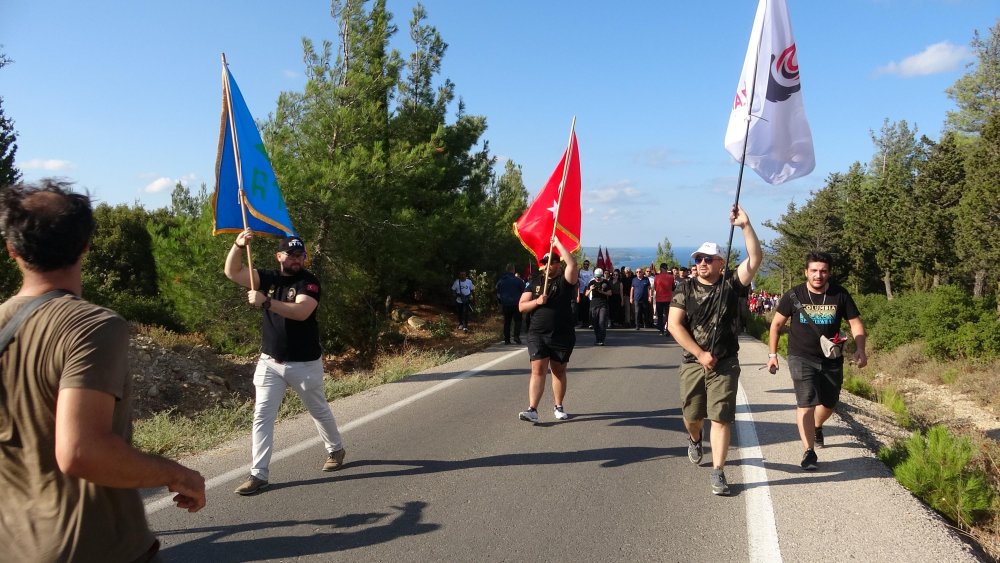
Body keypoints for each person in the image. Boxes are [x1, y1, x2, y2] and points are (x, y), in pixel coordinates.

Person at [0, 180, 205, 562]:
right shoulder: (91, 326)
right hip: (93, 546)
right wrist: (178, 474)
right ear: (85, 245)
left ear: (12, 249)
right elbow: (82, 451)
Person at [225, 230, 347, 495]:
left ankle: (335, 449)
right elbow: (233, 272)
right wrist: (238, 245)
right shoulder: (268, 278)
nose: (296, 259)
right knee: (262, 416)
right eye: (291, 254)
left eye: (300, 255)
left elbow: (301, 312)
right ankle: (258, 474)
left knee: (318, 410)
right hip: (270, 362)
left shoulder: (309, 282)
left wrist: (266, 302)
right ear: (279, 256)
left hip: (304, 363)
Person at [668, 205, 762, 496]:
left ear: (721, 263)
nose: (702, 263)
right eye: (698, 259)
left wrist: (745, 226)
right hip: (693, 362)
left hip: (725, 363)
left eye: (709, 259)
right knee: (692, 417)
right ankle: (695, 439)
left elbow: (755, 259)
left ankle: (719, 471)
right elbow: (674, 325)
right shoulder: (684, 289)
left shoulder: (731, 284)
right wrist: (699, 354)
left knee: (720, 417)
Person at [766, 252, 868, 471]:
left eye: (823, 271)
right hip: (801, 356)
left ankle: (817, 426)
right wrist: (772, 355)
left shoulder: (839, 294)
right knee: (806, 403)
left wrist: (860, 349)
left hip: (831, 357)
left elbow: (856, 324)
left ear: (829, 273)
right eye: (814, 271)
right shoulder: (794, 295)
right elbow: (776, 325)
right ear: (806, 272)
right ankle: (809, 451)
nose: (818, 275)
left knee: (829, 403)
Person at [517, 238, 579, 423]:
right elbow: (521, 306)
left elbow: (573, 264)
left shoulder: (565, 280)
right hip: (538, 333)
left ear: (558, 263)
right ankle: (532, 409)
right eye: (545, 262)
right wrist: (537, 301)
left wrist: (558, 243)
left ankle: (558, 406)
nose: (548, 265)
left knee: (558, 371)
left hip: (562, 334)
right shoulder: (535, 281)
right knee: (538, 369)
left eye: (552, 261)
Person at [495, 263, 524, 345]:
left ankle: (507, 339)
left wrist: (500, 301)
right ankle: (516, 336)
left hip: (506, 304)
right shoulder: (518, 280)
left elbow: (497, 291)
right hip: (516, 303)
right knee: (518, 321)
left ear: (506, 270)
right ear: (513, 270)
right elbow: (524, 291)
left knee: (507, 322)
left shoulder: (501, 280)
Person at [586, 267, 612, 345]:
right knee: (595, 323)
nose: (597, 278)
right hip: (594, 304)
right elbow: (586, 294)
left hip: (603, 304)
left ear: (601, 276)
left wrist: (602, 292)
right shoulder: (591, 282)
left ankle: (602, 339)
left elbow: (610, 293)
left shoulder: (605, 282)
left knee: (601, 322)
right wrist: (590, 289)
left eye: (599, 277)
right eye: (596, 277)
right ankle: (597, 339)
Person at [653, 262, 675, 336]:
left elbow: (655, 288)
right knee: (668, 315)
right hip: (668, 299)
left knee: (660, 316)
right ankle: (668, 330)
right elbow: (673, 287)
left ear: (660, 269)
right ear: (666, 268)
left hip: (659, 299)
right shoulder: (671, 277)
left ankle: (661, 330)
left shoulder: (656, 277)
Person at [577, 259, 593, 328]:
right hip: (581, 291)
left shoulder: (591, 271)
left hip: (589, 291)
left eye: (587, 264)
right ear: (583, 265)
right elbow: (578, 278)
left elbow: (592, 280)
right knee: (582, 307)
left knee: (588, 307)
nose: (586, 265)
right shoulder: (580, 271)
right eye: (585, 264)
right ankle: (581, 322)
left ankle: (588, 322)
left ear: (589, 265)